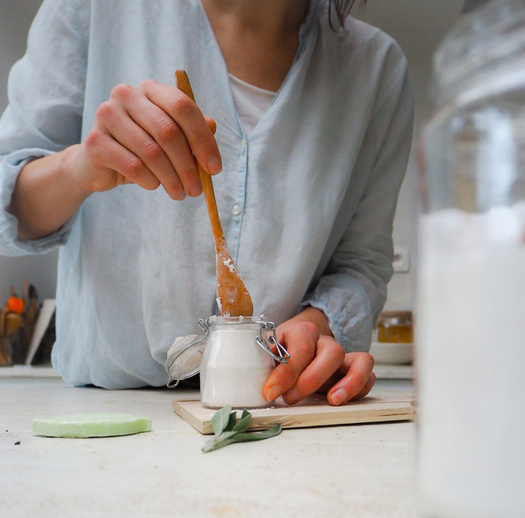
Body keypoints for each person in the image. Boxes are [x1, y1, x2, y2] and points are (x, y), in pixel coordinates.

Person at [0, 0, 413, 404]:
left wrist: (317, 324)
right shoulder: (91, 9)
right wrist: (79, 168)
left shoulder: (376, 68)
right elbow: (11, 200)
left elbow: (361, 265)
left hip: (276, 412)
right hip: (105, 415)